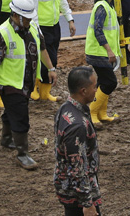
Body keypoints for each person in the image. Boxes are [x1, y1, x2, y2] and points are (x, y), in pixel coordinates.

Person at [0, 0, 58, 170]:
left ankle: (7, 139)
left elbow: (42, 48)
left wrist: (51, 69)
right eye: (26, 18)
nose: (29, 21)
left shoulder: (32, 29)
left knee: (13, 112)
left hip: (27, 82)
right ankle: (22, 153)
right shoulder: (1, 35)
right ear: (15, 15)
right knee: (20, 116)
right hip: (9, 84)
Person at [25, 0, 76, 102]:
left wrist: (70, 19)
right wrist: (37, 32)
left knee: (52, 59)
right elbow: (31, 10)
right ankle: (34, 87)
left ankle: (44, 91)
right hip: (41, 28)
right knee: (39, 59)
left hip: (54, 25)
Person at [54, 66, 101, 216]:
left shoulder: (65, 108)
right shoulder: (77, 126)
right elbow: (77, 168)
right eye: (94, 86)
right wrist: (87, 203)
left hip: (69, 186)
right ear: (83, 91)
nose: (96, 89)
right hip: (77, 195)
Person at [85, 0, 120, 128]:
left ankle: (101, 113)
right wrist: (109, 50)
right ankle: (92, 112)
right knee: (110, 82)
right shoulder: (101, 7)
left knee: (103, 82)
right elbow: (98, 30)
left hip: (104, 53)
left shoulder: (108, 5)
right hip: (99, 53)